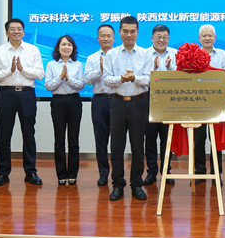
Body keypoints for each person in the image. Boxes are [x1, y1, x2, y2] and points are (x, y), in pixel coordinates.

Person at [0, 18, 45, 187]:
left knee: (29, 134)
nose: (16, 32)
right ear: (7, 32)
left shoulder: (33, 50)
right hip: (5, 94)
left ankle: (31, 172)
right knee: (4, 134)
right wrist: (10, 70)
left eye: (19, 29)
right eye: (12, 29)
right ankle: (3, 173)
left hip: (27, 94)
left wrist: (22, 69)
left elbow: (40, 74)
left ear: (23, 32)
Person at [103, 15, 153, 201]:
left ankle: (136, 184)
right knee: (116, 146)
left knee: (138, 146)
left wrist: (134, 78)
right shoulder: (111, 54)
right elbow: (107, 79)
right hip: (117, 103)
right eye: (125, 31)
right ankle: (117, 184)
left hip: (139, 103)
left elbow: (149, 79)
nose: (129, 35)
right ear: (120, 32)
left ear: (137, 33)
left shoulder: (146, 54)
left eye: (132, 31)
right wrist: (121, 79)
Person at [194, 24, 225, 184]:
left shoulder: (223, 54)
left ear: (215, 38)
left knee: (216, 140)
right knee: (198, 140)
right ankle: (199, 172)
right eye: (204, 35)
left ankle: (216, 173)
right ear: (199, 38)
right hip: (197, 103)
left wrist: (212, 76)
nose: (207, 38)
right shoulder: (194, 54)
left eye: (210, 35)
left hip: (216, 103)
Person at [45, 34, 85, 185]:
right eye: (63, 44)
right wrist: (60, 77)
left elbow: (81, 85)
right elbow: (48, 86)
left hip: (74, 101)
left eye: (69, 44)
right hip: (58, 102)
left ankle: (73, 173)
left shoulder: (78, 65)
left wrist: (68, 78)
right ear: (58, 47)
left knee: (73, 140)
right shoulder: (51, 65)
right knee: (59, 139)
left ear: (73, 48)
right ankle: (61, 174)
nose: (66, 47)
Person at [144, 24, 177, 185]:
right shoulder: (144, 54)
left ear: (169, 38)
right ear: (152, 38)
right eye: (158, 37)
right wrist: (154, 68)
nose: (161, 40)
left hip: (169, 100)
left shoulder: (175, 54)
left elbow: (182, 76)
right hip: (149, 98)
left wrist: (170, 67)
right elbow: (140, 77)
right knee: (150, 137)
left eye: (164, 37)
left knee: (167, 137)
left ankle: (166, 170)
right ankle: (151, 171)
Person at [84, 24, 115, 186]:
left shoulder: (119, 55)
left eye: (109, 35)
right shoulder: (92, 58)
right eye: (103, 35)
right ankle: (103, 173)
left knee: (117, 139)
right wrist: (101, 70)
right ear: (98, 38)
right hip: (99, 100)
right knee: (100, 139)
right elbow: (88, 80)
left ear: (114, 38)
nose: (106, 38)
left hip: (117, 100)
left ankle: (117, 174)